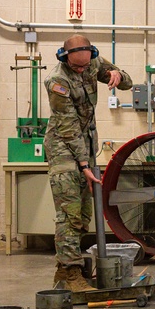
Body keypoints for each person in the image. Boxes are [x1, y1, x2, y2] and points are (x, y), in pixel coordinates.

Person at [44, 34, 134, 293]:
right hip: (64, 147)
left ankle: (64, 271)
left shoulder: (92, 62)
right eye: (77, 67)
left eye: (86, 66)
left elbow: (126, 82)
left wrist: (118, 75)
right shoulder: (57, 81)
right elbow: (68, 125)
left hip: (86, 145)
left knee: (84, 211)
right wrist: (83, 164)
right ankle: (71, 273)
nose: (82, 71)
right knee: (69, 212)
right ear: (64, 57)